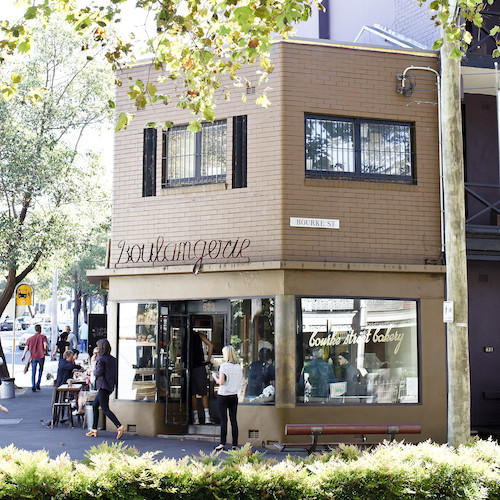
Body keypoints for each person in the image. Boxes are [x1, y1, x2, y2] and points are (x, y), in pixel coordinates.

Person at [86, 339, 125, 439]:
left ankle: (119, 426)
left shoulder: (101, 359)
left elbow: (98, 372)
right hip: (109, 385)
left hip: (102, 385)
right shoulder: (112, 359)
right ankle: (94, 429)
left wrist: (92, 370)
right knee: (95, 405)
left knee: (105, 408)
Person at [212, 345, 242, 451]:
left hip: (223, 395)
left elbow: (221, 382)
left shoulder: (224, 366)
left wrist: (214, 376)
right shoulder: (238, 366)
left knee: (223, 420)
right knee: (233, 420)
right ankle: (235, 444)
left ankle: (222, 443)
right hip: (234, 395)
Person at [189, 329, 213, 425]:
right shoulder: (199, 335)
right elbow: (211, 345)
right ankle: (207, 417)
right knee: (203, 393)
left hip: (190, 367)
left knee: (193, 393)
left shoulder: (184, 336)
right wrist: (208, 359)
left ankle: (196, 418)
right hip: (200, 366)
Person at [21, 324, 48, 392]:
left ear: (35, 330)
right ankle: (38, 383)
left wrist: (23, 355)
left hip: (33, 356)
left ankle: (33, 385)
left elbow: (26, 347)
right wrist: (46, 352)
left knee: (33, 371)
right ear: (40, 330)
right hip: (41, 356)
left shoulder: (30, 338)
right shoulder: (43, 337)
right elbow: (45, 345)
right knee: (40, 370)